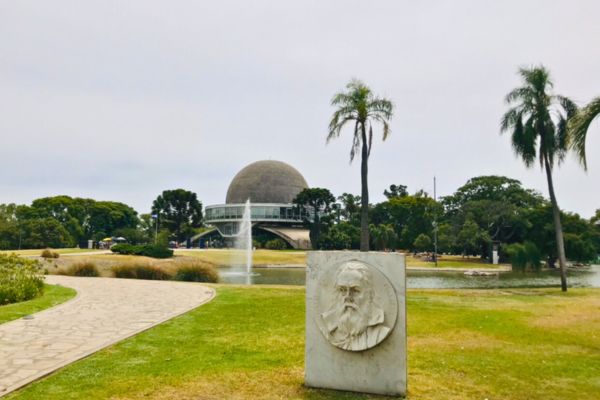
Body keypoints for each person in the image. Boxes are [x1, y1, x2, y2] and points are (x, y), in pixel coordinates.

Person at [321, 261, 390, 351]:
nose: (348, 297)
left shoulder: (379, 333)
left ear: (370, 295)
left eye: (355, 290)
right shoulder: (328, 329)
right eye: (342, 290)